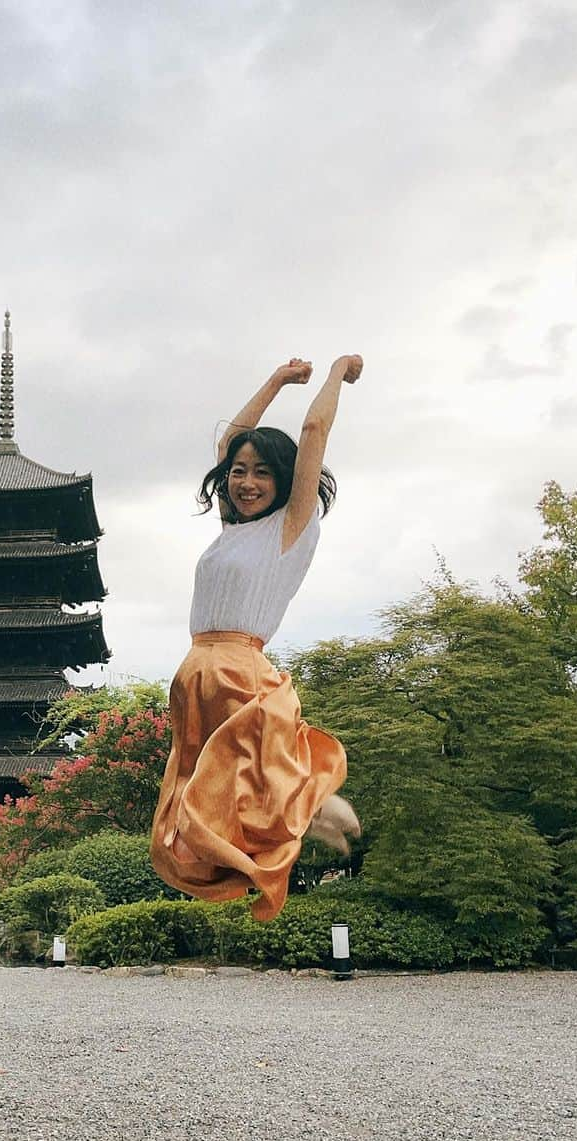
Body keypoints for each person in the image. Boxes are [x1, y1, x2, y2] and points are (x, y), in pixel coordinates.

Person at [149, 354, 363, 922]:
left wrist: (337, 371)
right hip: (194, 673)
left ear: (287, 479)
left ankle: (313, 804)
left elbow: (314, 429)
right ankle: (304, 813)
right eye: (241, 473)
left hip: (238, 666)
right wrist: (274, 382)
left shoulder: (291, 528)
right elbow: (229, 444)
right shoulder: (231, 530)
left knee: (243, 774)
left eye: (262, 472)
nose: (246, 482)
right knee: (199, 805)